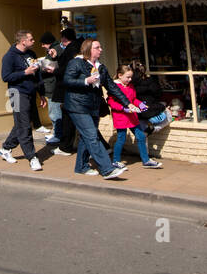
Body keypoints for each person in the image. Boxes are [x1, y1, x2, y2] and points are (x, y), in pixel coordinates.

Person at [63, 39, 135, 180]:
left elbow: (112, 87)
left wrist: (127, 103)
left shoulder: (101, 67)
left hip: (93, 106)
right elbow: (67, 81)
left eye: (100, 47)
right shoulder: (76, 63)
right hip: (77, 105)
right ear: (89, 50)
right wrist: (85, 81)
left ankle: (81, 167)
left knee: (86, 138)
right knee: (91, 136)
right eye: (97, 47)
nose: (100, 49)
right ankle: (107, 169)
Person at [0, 30, 44, 172]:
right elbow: (6, 77)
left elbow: (38, 75)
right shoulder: (9, 56)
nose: (33, 41)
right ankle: (32, 157)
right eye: (31, 39)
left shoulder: (32, 54)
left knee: (22, 122)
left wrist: (41, 94)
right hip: (17, 93)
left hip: (30, 92)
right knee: (25, 126)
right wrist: (24, 73)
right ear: (23, 41)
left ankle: (6, 148)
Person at [108, 65, 163, 168]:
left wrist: (140, 104)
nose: (130, 79)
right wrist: (123, 108)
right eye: (127, 77)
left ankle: (146, 161)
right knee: (121, 138)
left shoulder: (130, 86)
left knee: (141, 136)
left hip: (132, 116)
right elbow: (111, 102)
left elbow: (133, 99)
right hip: (121, 117)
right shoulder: (114, 87)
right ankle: (115, 161)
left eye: (131, 77)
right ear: (120, 76)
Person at [47, 27, 81, 157]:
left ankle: (65, 146)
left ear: (65, 39)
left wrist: (54, 70)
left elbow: (67, 69)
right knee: (77, 119)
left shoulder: (72, 49)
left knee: (70, 118)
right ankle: (66, 145)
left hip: (69, 89)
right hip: (74, 89)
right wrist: (56, 58)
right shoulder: (76, 47)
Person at [37, 33, 58, 139]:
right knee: (55, 112)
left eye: (43, 44)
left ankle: (57, 135)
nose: (42, 46)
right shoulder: (55, 50)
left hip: (53, 87)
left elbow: (52, 67)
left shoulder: (54, 51)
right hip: (53, 86)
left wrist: (39, 66)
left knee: (54, 113)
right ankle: (56, 133)